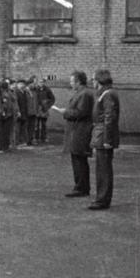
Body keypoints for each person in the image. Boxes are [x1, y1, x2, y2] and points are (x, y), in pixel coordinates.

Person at [52, 70, 94, 198]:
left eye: (72, 81)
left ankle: (81, 188)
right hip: (77, 130)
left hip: (79, 131)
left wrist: (65, 112)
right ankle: (81, 186)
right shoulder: (82, 93)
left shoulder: (84, 94)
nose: (70, 84)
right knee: (78, 160)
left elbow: (80, 113)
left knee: (79, 160)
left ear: (78, 82)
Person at [88, 69, 120, 210]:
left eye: (94, 79)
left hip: (103, 136)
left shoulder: (107, 94)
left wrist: (107, 139)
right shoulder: (106, 93)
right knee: (102, 168)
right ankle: (101, 198)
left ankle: (102, 200)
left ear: (100, 80)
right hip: (101, 134)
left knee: (103, 170)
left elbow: (109, 118)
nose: (92, 82)